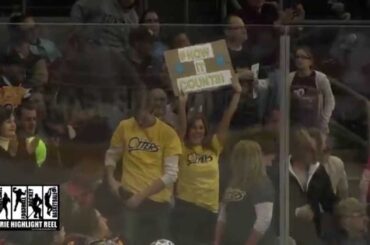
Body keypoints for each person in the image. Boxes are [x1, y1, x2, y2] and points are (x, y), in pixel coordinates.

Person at [105, 90, 182, 244]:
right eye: (136, 117)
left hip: (158, 203)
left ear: (151, 111)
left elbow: (171, 174)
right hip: (130, 198)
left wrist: (141, 196)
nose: (139, 122)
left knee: (161, 241)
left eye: (143, 117)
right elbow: (112, 154)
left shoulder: (168, 133)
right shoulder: (125, 126)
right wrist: (111, 180)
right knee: (130, 241)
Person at [172, 81, 241, 245]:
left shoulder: (213, 147)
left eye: (201, 128)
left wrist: (237, 94)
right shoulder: (182, 148)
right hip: (186, 208)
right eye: (194, 128)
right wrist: (182, 104)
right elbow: (180, 129)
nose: (197, 131)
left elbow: (227, 119)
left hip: (210, 209)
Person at [214, 140, 275, 245]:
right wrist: (217, 242)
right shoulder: (234, 182)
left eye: (241, 156)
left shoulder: (261, 184)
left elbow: (263, 221)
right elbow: (223, 215)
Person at [289, 129, 337, 245]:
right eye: (310, 151)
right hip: (285, 233)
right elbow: (271, 205)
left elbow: (330, 202)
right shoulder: (279, 171)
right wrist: (296, 212)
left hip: (313, 234)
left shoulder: (319, 171)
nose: (315, 155)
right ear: (298, 150)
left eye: (317, 150)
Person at [289, 47, 335, 134]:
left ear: (310, 61)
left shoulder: (321, 78)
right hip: (294, 123)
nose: (299, 60)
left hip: (315, 124)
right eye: (297, 57)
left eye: (303, 57)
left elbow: (330, 101)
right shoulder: (289, 78)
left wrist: (324, 120)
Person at [71, 0, 138, 52]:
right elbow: (78, 7)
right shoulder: (102, 2)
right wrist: (79, 34)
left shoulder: (134, 18)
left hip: (118, 59)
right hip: (96, 52)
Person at [309, 129, 348, 199]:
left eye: (327, 149)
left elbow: (344, 192)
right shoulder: (303, 167)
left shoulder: (337, 164)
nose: (325, 153)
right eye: (320, 149)